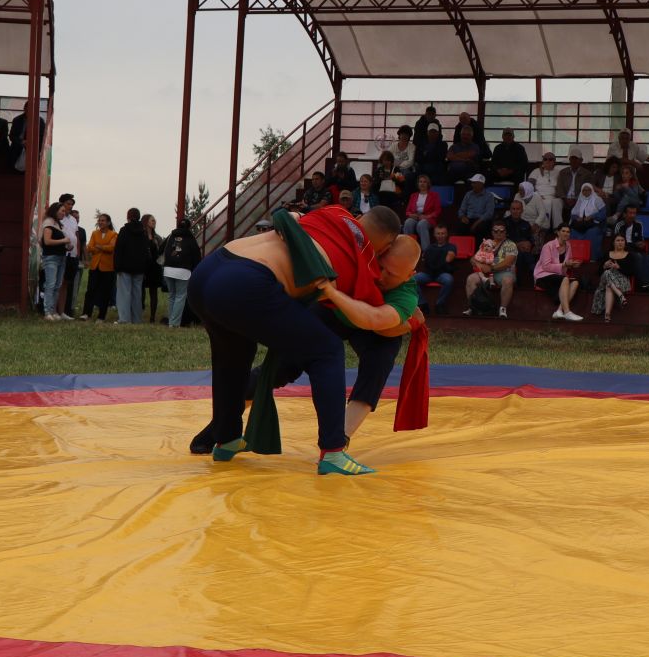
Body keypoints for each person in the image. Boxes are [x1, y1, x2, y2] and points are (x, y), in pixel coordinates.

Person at [187, 203, 400, 475]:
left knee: (234, 352)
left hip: (210, 269)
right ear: (384, 247)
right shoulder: (364, 261)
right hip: (245, 283)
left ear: (359, 218)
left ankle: (227, 438)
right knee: (327, 350)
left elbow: (290, 217)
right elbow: (370, 319)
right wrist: (407, 317)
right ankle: (333, 451)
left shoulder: (333, 212)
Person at [463, 219, 519, 318]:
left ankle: (502, 309)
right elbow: (473, 258)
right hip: (485, 273)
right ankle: (473, 307)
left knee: (508, 280)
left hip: (504, 272)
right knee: (471, 278)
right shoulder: (486, 243)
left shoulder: (511, 244)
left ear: (505, 232)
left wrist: (491, 268)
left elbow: (508, 262)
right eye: (496, 231)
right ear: (492, 232)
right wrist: (478, 264)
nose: (498, 233)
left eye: (501, 231)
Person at [537, 224, 586, 321]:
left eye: (568, 232)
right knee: (565, 279)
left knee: (576, 282)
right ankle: (567, 312)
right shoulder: (548, 246)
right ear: (558, 232)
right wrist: (564, 265)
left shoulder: (568, 245)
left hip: (559, 276)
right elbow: (545, 266)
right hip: (543, 275)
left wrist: (572, 265)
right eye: (563, 231)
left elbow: (568, 262)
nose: (566, 233)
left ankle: (559, 310)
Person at [113, 208, 152, 324]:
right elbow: (146, 251)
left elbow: (119, 249)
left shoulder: (124, 230)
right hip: (139, 268)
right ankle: (136, 318)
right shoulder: (143, 232)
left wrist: (117, 266)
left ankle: (124, 319)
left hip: (125, 266)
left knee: (124, 293)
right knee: (137, 294)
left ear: (128, 216)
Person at [160, 218, 201, 327]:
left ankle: (171, 321)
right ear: (189, 227)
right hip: (183, 271)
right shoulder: (190, 239)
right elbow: (197, 257)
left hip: (168, 270)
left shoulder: (171, 236)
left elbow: (161, 249)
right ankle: (174, 323)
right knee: (180, 297)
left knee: (172, 296)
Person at [607, 204, 649, 289]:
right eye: (630, 213)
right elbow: (617, 242)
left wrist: (641, 244)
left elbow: (641, 239)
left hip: (635, 249)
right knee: (638, 257)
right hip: (622, 249)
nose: (633, 215)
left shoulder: (639, 224)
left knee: (647, 257)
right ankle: (642, 283)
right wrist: (634, 244)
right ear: (624, 214)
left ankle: (648, 283)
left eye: (634, 213)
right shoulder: (619, 225)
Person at [591, 232, 635, 323]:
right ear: (613, 243)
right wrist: (604, 266)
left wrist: (619, 268)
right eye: (618, 240)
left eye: (622, 240)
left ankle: (607, 314)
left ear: (625, 242)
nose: (620, 242)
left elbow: (632, 272)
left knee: (608, 285)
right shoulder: (607, 254)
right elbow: (599, 273)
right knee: (607, 272)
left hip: (622, 282)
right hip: (606, 279)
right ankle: (620, 296)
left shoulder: (629, 255)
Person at [83, 212, 118, 321]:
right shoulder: (94, 233)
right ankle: (86, 313)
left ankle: (101, 316)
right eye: (99, 220)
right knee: (90, 290)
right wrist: (103, 247)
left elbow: (112, 248)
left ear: (108, 222)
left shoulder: (113, 234)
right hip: (95, 266)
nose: (100, 222)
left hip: (108, 267)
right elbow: (90, 247)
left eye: (103, 220)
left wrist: (99, 247)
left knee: (105, 292)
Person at [414, 221, 457, 311]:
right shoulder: (430, 247)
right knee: (412, 280)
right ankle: (422, 303)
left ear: (446, 234)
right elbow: (425, 260)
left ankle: (439, 304)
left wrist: (433, 260)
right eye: (438, 233)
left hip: (442, 274)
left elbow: (448, 259)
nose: (440, 236)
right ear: (434, 234)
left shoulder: (451, 247)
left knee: (448, 279)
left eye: (442, 233)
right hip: (429, 274)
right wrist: (441, 259)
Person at [38, 200, 70, 320]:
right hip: (51, 258)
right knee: (50, 284)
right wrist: (64, 241)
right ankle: (47, 312)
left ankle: (53, 310)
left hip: (61, 257)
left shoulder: (58, 224)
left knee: (57, 285)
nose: (63, 213)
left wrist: (67, 246)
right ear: (55, 211)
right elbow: (47, 241)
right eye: (62, 211)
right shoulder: (48, 223)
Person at [403, 174, 444, 246]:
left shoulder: (434, 195)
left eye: (424, 182)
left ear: (428, 184)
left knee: (421, 224)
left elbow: (438, 210)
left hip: (428, 218)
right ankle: (408, 247)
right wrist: (411, 215)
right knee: (408, 222)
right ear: (418, 184)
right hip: (415, 217)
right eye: (420, 182)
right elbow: (407, 211)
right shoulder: (413, 195)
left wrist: (427, 216)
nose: (422, 183)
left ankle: (426, 251)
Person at [457, 173, 499, 238]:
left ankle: (479, 247)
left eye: (474, 183)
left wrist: (476, 223)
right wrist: (462, 217)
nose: (472, 185)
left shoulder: (489, 196)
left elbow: (489, 213)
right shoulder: (468, 194)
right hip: (469, 219)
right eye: (472, 183)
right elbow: (461, 210)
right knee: (460, 226)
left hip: (482, 220)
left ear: (481, 184)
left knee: (481, 228)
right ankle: (464, 247)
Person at [569, 181, 607, 251]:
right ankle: (576, 255)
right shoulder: (580, 199)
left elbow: (603, 214)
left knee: (591, 233)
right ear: (582, 191)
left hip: (594, 224)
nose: (586, 192)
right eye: (584, 190)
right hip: (581, 224)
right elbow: (573, 213)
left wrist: (592, 216)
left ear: (592, 190)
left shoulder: (597, 199)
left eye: (588, 190)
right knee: (573, 231)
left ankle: (592, 256)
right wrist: (577, 218)